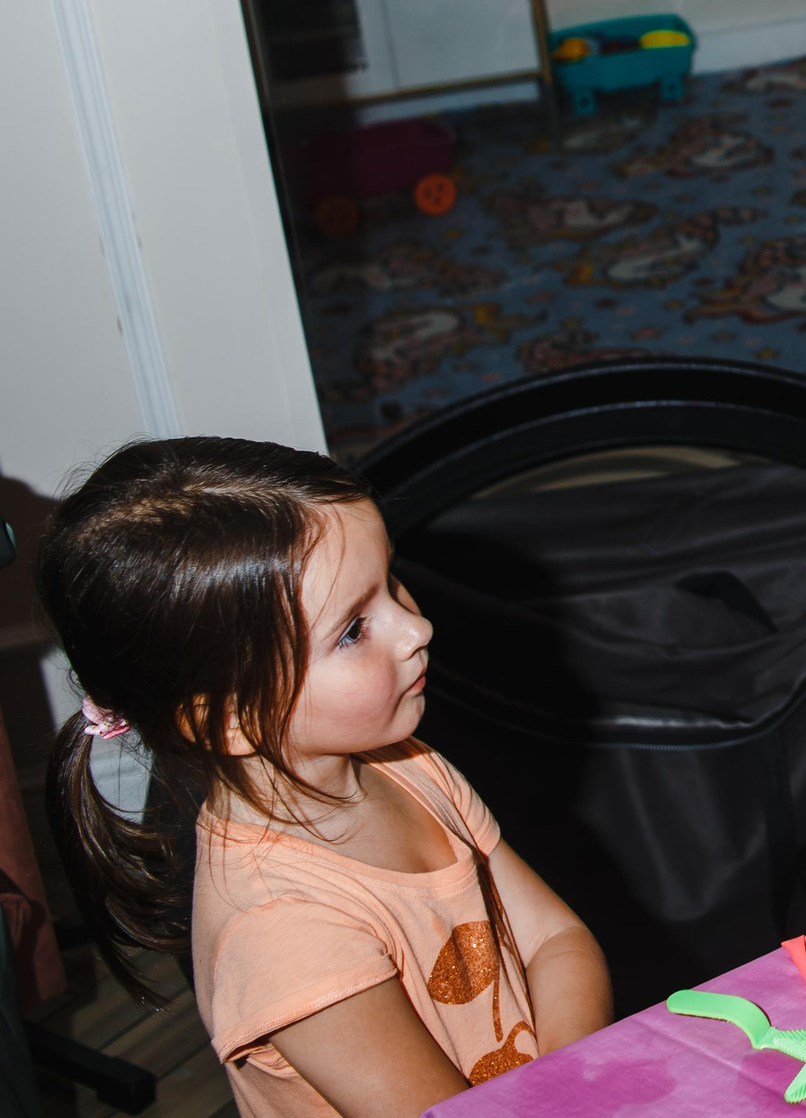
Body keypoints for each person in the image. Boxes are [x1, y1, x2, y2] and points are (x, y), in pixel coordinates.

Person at [39, 438, 611, 1117]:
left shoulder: (407, 766)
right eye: (353, 630)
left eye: (392, 580)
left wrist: (566, 1085)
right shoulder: (283, 929)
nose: (417, 626)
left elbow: (556, 939)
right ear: (230, 720)